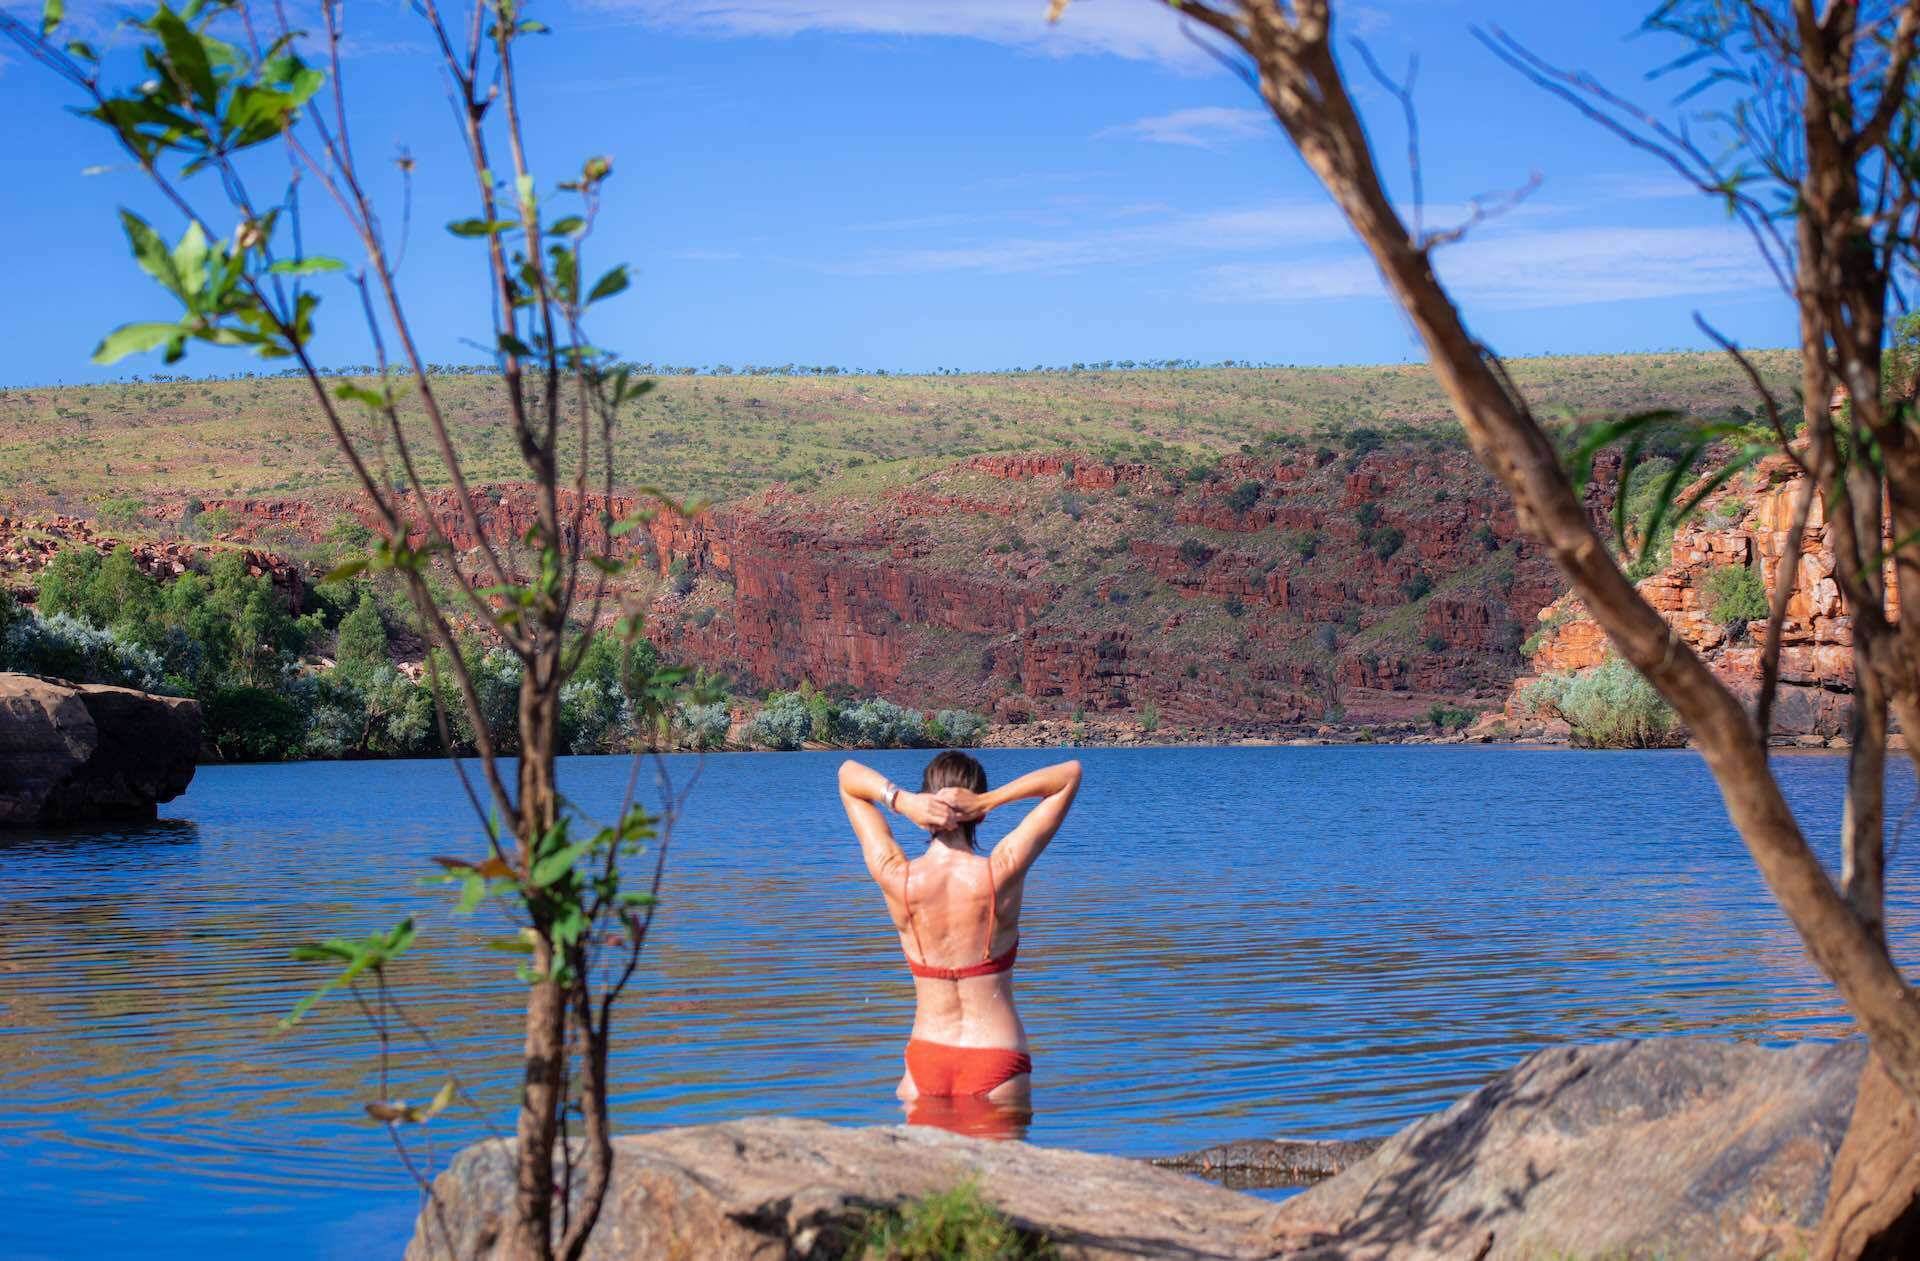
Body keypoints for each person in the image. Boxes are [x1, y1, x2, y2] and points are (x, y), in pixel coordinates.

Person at [837, 751, 1082, 1129]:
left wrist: (901, 802)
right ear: (980, 814)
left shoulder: (896, 877)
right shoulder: (1001, 872)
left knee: (929, 1188)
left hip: (925, 1063)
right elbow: (1068, 774)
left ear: (924, 813)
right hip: (996, 1058)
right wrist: (989, 799)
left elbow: (848, 777)